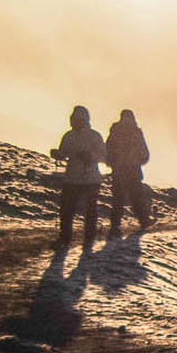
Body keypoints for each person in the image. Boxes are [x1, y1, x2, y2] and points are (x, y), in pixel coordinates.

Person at [51, 106, 106, 248]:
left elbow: (103, 156)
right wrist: (58, 154)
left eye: (74, 119)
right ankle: (70, 239)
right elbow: (65, 153)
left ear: (82, 120)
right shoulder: (71, 136)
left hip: (86, 178)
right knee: (70, 210)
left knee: (81, 210)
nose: (71, 121)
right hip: (78, 178)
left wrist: (90, 157)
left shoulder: (92, 136)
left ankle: (81, 239)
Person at [105, 109, 153, 235]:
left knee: (118, 199)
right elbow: (144, 153)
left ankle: (115, 225)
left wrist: (111, 163)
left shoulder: (115, 131)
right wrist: (138, 161)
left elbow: (107, 148)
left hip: (118, 170)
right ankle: (143, 221)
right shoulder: (135, 132)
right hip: (133, 170)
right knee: (136, 197)